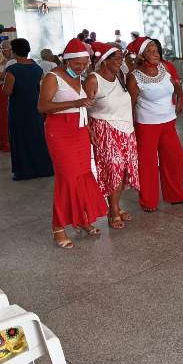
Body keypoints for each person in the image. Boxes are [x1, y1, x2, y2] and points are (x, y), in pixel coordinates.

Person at [37, 38, 106, 249]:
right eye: (78, 64)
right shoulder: (52, 77)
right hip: (59, 131)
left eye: (85, 63)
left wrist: (88, 130)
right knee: (67, 179)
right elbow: (43, 107)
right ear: (66, 60)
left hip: (78, 129)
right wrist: (75, 102)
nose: (82, 67)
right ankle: (58, 227)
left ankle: (82, 219)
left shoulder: (79, 77)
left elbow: (81, 107)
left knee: (83, 176)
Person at [126, 36, 183, 212]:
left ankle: (175, 195)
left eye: (156, 50)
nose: (156, 54)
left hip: (168, 122)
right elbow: (130, 105)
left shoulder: (165, 68)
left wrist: (181, 96)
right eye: (150, 51)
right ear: (141, 55)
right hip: (146, 125)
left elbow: (175, 84)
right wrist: (129, 128)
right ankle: (148, 200)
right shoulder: (134, 77)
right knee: (147, 163)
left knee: (175, 155)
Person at [84, 42, 140, 230]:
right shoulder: (94, 79)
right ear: (103, 60)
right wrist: (88, 129)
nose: (120, 60)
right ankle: (113, 210)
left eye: (121, 57)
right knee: (114, 168)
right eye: (115, 57)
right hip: (104, 128)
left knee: (124, 170)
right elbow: (82, 108)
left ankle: (115, 205)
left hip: (126, 128)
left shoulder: (120, 75)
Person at [2, 38, 52, 181]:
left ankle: (24, 170)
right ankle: (42, 168)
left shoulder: (12, 69)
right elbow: (40, 86)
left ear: (14, 51)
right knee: (37, 137)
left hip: (18, 108)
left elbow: (7, 92)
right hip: (34, 106)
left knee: (21, 138)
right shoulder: (37, 67)